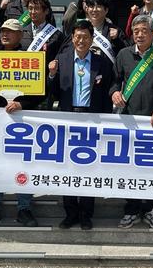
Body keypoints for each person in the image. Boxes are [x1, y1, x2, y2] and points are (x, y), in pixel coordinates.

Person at [111, 14, 153, 229]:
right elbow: (114, 81)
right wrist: (114, 93)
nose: (139, 35)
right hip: (129, 121)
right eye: (136, 31)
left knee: (152, 166)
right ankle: (131, 208)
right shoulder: (123, 54)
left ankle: (150, 208)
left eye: (144, 31)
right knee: (129, 166)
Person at [47, 19, 115, 230]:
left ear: (92, 39)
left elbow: (110, 88)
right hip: (68, 118)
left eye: (85, 37)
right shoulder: (62, 60)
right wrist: (51, 74)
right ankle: (70, 213)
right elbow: (52, 91)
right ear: (72, 38)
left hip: (92, 119)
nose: (81, 41)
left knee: (89, 168)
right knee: (67, 168)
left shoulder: (102, 62)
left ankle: (86, 214)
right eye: (77, 37)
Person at [0, 19, 42, 228]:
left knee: (23, 164)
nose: (5, 34)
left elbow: (41, 94)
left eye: (10, 31)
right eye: (3, 31)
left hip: (22, 123)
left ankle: (24, 208)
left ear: (20, 35)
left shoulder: (30, 59)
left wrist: (22, 104)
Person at [62, 0, 128, 63]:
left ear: (106, 10)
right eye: (91, 6)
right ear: (87, 9)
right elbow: (65, 50)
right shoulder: (78, 28)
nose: (94, 10)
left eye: (98, 6)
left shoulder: (114, 31)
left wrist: (117, 40)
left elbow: (125, 54)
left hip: (104, 68)